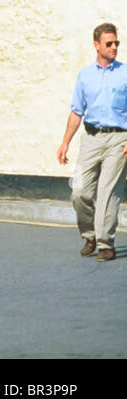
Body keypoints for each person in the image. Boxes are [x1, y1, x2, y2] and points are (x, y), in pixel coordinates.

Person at [58, 22, 127, 262]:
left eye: (116, 43)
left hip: (118, 139)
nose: (114, 47)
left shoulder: (125, 73)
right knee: (79, 191)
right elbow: (76, 111)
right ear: (96, 45)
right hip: (91, 138)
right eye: (109, 43)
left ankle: (106, 243)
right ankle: (90, 235)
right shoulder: (85, 76)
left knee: (108, 192)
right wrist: (65, 142)